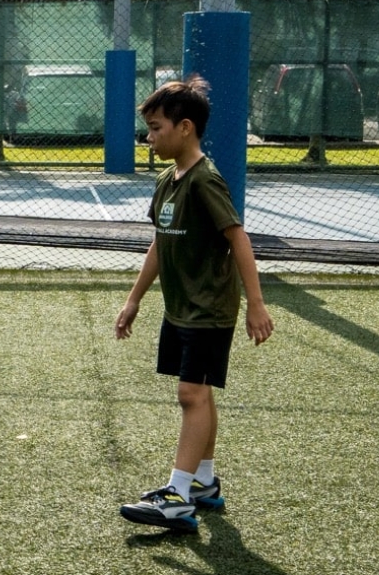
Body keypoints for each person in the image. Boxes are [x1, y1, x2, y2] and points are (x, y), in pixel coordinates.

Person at [114, 76, 274, 533]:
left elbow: (238, 239)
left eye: (157, 128)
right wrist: (134, 301)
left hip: (208, 310)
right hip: (179, 309)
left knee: (191, 394)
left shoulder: (206, 180)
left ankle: (177, 496)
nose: (150, 138)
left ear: (185, 128)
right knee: (199, 392)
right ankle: (202, 482)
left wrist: (256, 305)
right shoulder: (168, 180)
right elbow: (159, 246)